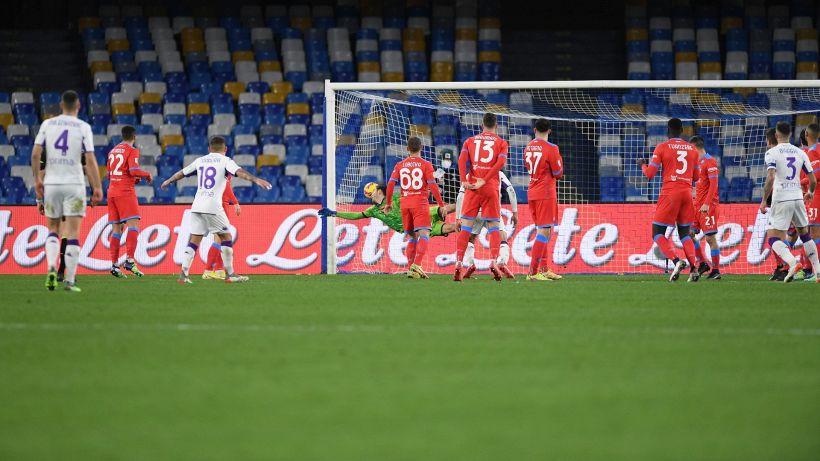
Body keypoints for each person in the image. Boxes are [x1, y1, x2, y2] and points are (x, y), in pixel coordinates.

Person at [160, 136, 272, 284]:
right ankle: (230, 274)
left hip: (197, 206)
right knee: (226, 237)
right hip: (213, 206)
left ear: (209, 149)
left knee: (194, 240)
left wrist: (169, 180)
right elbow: (240, 172)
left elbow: (182, 173)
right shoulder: (226, 161)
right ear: (225, 149)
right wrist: (256, 179)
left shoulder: (200, 160)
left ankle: (184, 275)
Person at [32, 90, 102, 292]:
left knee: (53, 229)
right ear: (78, 106)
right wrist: (97, 186)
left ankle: (52, 268)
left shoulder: (48, 124)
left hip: (52, 183)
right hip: (74, 184)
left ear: (61, 104)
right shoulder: (83, 127)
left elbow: (36, 154)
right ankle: (69, 281)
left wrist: (37, 179)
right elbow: (89, 159)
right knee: (72, 233)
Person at [638, 118, 701, 282]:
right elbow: (697, 177)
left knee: (657, 233)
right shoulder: (692, 149)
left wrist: (643, 165)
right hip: (687, 193)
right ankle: (694, 269)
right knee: (685, 234)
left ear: (668, 131)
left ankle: (676, 260)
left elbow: (650, 174)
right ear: (682, 131)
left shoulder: (662, 147)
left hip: (670, 192)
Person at [760, 121, 820, 283]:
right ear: (790, 135)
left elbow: (771, 177)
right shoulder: (801, 152)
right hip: (798, 198)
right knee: (805, 235)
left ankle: (793, 262)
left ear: (776, 135)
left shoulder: (772, 152)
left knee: (773, 238)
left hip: (781, 199)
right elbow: (812, 179)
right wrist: (810, 193)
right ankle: (818, 272)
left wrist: (764, 200)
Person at [454, 112, 509, 282]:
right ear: (497, 126)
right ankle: (493, 261)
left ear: (481, 125)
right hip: (489, 187)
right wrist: (485, 180)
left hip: (471, 187)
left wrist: (464, 179)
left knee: (466, 228)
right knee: (494, 226)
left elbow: (462, 159)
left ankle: (458, 263)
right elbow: (500, 164)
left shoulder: (470, 141)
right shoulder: (501, 143)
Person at [384, 136, 446, 279]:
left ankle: (410, 268)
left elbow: (391, 184)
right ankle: (416, 265)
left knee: (412, 236)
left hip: (405, 204)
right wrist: (441, 204)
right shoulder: (426, 164)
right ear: (421, 148)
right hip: (420, 203)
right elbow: (432, 185)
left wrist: (388, 203)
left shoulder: (400, 165)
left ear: (407, 149)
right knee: (424, 234)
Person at [106, 125, 152, 278]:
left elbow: (109, 175)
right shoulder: (132, 150)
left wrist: (132, 178)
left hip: (112, 192)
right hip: (125, 193)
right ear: (134, 137)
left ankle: (114, 266)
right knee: (133, 226)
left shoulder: (112, 151)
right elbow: (133, 170)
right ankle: (130, 261)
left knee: (116, 230)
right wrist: (146, 174)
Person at [456, 170, 518, 279]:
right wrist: (514, 212)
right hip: (492, 208)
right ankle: (501, 262)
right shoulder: (498, 173)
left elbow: (460, 196)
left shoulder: (469, 174)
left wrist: (458, 217)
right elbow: (511, 190)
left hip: (474, 211)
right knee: (502, 237)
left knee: (470, 238)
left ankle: (470, 264)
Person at [524, 118, 564, 281]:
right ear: (550, 131)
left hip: (532, 191)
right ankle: (533, 272)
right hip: (545, 193)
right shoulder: (552, 148)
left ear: (534, 130)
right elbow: (558, 174)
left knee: (546, 229)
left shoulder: (527, 147)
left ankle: (545, 269)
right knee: (544, 231)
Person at [688, 136, 722, 280]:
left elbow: (713, 185)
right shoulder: (695, 163)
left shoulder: (710, 161)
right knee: (689, 234)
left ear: (696, 148)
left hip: (708, 206)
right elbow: (699, 186)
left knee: (709, 238)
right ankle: (702, 263)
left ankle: (715, 270)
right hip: (696, 206)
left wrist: (707, 203)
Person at [202, 175, 240, 280]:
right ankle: (208, 270)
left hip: (214, 203)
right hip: (221, 205)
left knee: (220, 238)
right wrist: (235, 202)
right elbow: (226, 185)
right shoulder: (223, 165)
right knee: (221, 238)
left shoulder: (212, 165)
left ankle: (219, 270)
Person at [802, 123, 820, 281]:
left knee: (814, 233)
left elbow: (816, 175)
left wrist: (804, 185)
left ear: (807, 134)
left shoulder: (813, 151)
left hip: (817, 196)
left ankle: (817, 271)